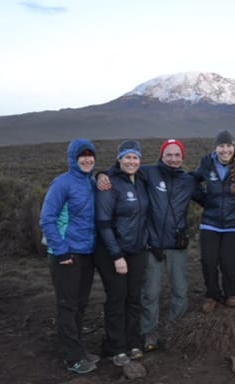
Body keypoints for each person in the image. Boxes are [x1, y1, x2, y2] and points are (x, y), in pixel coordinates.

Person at [39, 139, 100, 374]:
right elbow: (47, 218)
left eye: (90, 155)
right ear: (73, 159)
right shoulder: (62, 183)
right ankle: (72, 357)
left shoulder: (92, 183)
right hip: (66, 255)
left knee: (80, 304)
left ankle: (78, 349)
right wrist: (61, 250)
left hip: (86, 253)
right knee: (67, 305)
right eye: (81, 156)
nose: (87, 159)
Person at [139, 139, 202, 352]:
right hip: (153, 245)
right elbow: (122, 169)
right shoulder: (148, 173)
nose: (173, 159)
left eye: (177, 155)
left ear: (182, 157)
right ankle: (149, 333)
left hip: (177, 244)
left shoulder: (188, 180)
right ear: (162, 156)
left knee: (180, 290)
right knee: (150, 292)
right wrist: (102, 175)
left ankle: (177, 331)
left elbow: (209, 200)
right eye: (169, 155)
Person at [95, 140, 150, 366]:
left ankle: (133, 342)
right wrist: (117, 255)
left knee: (133, 297)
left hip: (137, 249)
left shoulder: (142, 180)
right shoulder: (109, 184)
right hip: (112, 252)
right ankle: (116, 347)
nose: (131, 161)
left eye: (135, 157)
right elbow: (104, 222)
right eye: (127, 157)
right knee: (117, 298)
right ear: (119, 159)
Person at [194, 130, 235, 313]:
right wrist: (204, 200)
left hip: (234, 222)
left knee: (228, 261)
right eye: (221, 146)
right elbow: (193, 181)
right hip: (210, 221)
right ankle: (212, 295)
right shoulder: (207, 162)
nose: (225, 150)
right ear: (216, 147)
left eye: (228, 146)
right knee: (208, 260)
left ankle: (231, 293)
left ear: (233, 147)